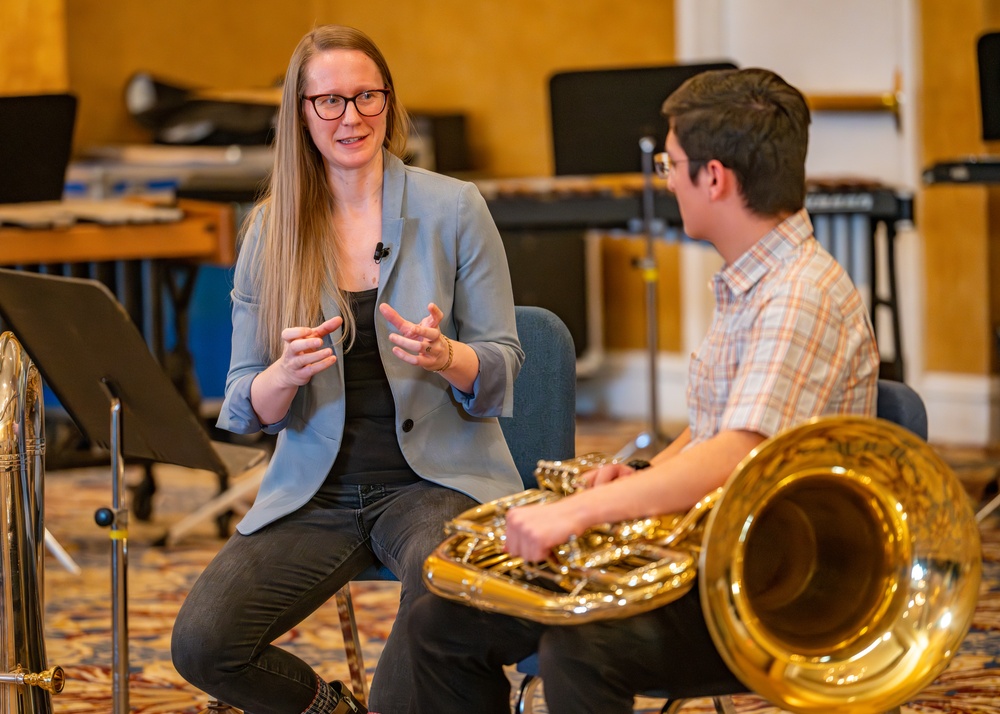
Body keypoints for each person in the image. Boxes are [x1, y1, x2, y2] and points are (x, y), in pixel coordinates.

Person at [406, 67, 880, 714]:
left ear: (713, 178)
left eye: (671, 162)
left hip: (767, 586)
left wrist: (575, 513)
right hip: (717, 549)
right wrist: (640, 475)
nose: (666, 178)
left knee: (583, 647)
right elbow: (717, 426)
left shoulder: (799, 296)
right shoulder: (757, 279)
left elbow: (739, 451)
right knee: (446, 619)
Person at [170, 25, 524, 714]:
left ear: (389, 103)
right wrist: (285, 373)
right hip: (315, 492)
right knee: (204, 644)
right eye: (328, 101)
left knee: (435, 624)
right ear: (300, 113)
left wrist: (449, 356)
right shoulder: (270, 230)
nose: (351, 116)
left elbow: (505, 365)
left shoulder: (454, 208)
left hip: (435, 482)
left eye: (367, 96)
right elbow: (244, 406)